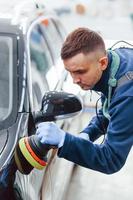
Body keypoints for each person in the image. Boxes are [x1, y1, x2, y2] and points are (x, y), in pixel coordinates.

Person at [36, 27, 133, 174]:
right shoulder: (116, 63)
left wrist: (65, 141)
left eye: (80, 72)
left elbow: (111, 159)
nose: (75, 80)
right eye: (70, 72)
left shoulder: (127, 94)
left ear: (102, 63)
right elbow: (111, 109)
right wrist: (88, 133)